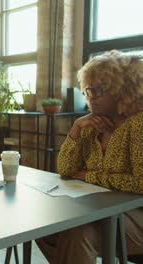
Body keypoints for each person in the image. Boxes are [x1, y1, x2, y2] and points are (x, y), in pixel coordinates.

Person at [36, 50, 143, 263]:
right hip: (99, 207)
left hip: (136, 212)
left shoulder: (138, 125)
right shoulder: (92, 124)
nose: (92, 96)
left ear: (124, 90)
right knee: (42, 223)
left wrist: (89, 175)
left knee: (77, 233)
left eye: (100, 90)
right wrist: (76, 128)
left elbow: (141, 183)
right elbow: (66, 170)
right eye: (89, 89)